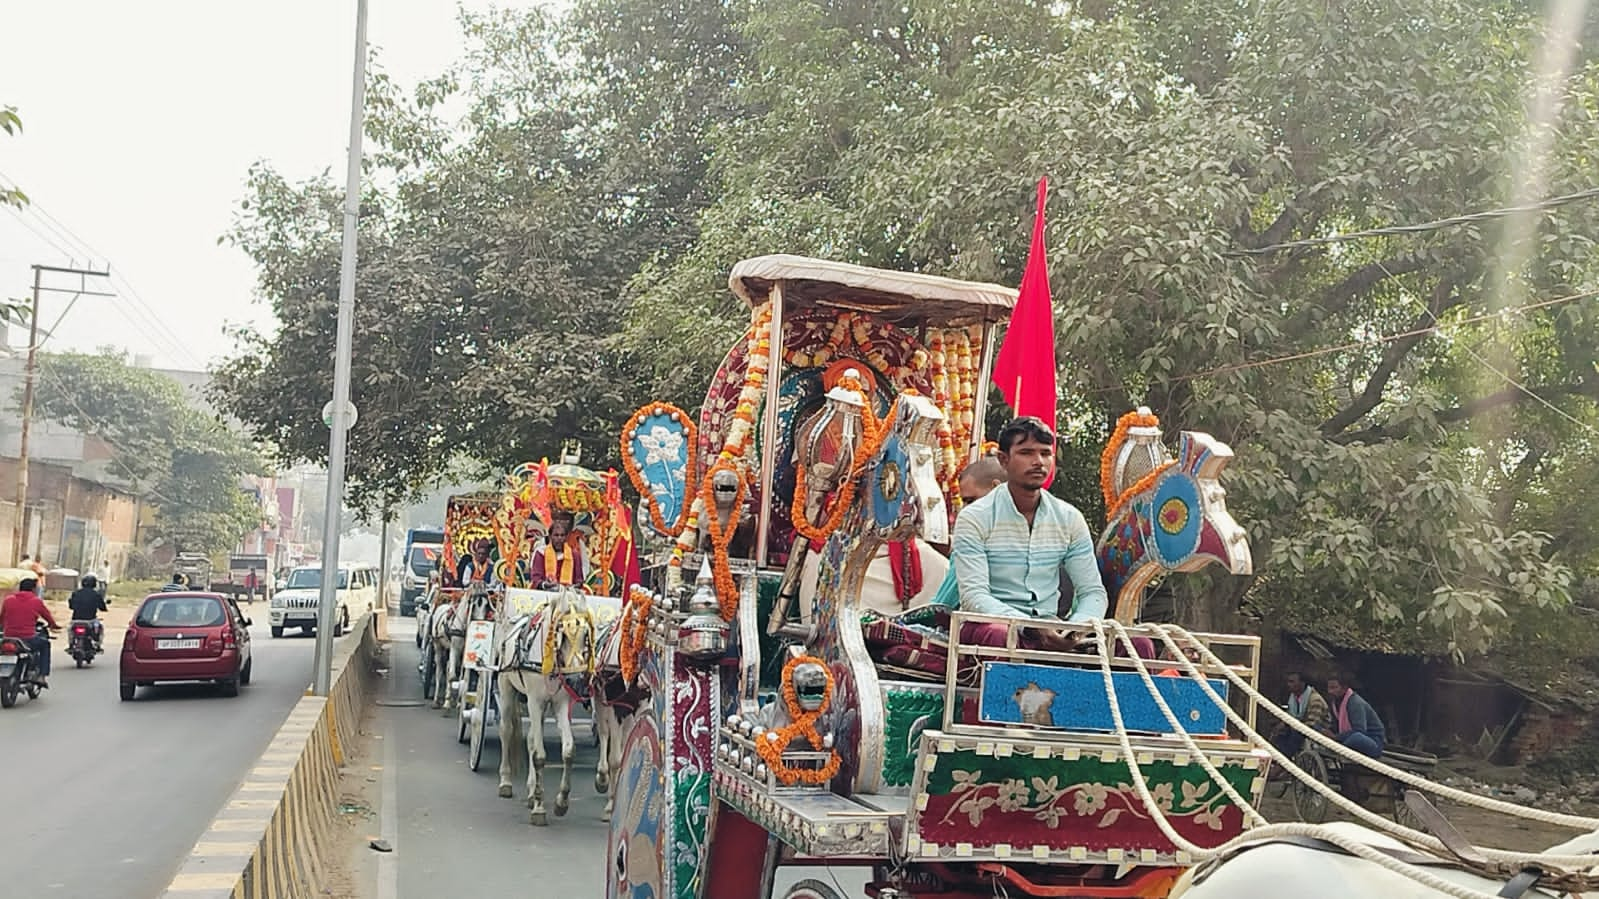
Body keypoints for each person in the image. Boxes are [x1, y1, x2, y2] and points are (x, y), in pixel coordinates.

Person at [951, 417, 1108, 651]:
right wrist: (1030, 627)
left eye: (1046, 453)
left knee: (1138, 644)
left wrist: (1074, 630)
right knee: (999, 635)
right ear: (1004, 460)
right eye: (1026, 453)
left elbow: (1092, 592)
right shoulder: (975, 518)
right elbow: (974, 597)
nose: (1038, 462)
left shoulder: (1069, 518)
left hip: (1052, 629)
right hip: (994, 626)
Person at [929, 454, 1008, 609]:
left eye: (971, 501)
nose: (965, 510)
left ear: (996, 489)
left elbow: (943, 606)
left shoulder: (977, 541)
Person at [0, 577, 59, 686]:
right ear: (33, 589)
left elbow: (2, 619)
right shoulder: (37, 601)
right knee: (45, 644)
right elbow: (48, 617)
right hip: (27, 639)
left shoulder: (8, 600)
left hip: (9, 638)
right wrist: (53, 625)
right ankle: (42, 676)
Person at [1269, 671, 1331, 758]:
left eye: (1292, 682)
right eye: (1288, 682)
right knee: (1279, 732)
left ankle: (1284, 761)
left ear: (1302, 683)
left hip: (1317, 734)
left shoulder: (1315, 700)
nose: (1288, 684)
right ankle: (1277, 759)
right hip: (1298, 730)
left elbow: (1312, 725)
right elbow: (1289, 717)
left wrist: (1291, 726)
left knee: (1296, 734)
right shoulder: (1293, 699)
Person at [1324, 673, 1385, 759]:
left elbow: (1359, 731)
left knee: (1355, 738)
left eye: (1334, 688)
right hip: (1348, 739)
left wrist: (1336, 737)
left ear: (1344, 688)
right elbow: (1335, 725)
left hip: (1373, 742)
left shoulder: (1355, 703)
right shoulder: (1335, 703)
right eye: (1329, 688)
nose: (1330, 691)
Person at [531, 513, 588, 589]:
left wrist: (571, 587)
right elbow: (536, 580)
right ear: (550, 536)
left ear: (566, 537)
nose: (559, 538)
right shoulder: (541, 553)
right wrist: (546, 585)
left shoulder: (574, 555)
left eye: (562, 535)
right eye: (556, 535)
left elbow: (579, 581)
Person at [68, 575, 109, 650]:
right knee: (100, 628)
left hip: (76, 619)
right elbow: (102, 607)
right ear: (94, 584)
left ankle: (71, 644)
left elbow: (71, 606)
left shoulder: (76, 593)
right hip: (90, 620)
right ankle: (98, 644)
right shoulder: (96, 595)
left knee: (70, 629)